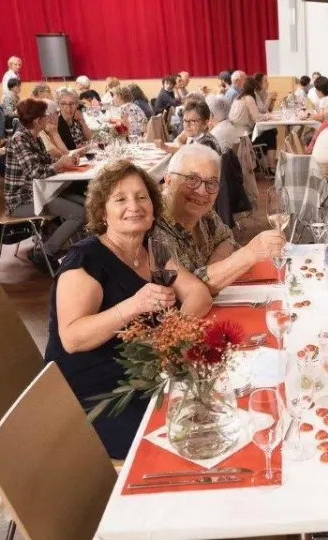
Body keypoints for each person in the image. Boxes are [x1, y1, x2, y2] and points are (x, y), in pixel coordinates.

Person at [45, 159, 212, 459]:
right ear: (102, 212)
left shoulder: (151, 251)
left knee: (212, 403)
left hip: (144, 377)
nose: (134, 206)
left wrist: (168, 336)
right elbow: (72, 338)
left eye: (142, 197)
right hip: (94, 398)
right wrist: (135, 305)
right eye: (120, 199)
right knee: (187, 437)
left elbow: (199, 293)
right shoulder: (85, 261)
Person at [157, 144, 285, 294]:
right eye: (191, 179)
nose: (202, 191)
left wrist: (214, 268)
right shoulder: (154, 229)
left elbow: (227, 238)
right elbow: (192, 293)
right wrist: (249, 253)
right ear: (168, 180)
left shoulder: (202, 210)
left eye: (211, 183)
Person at [3, 98, 84, 268]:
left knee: (87, 203)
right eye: (45, 116)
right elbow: (35, 172)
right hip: (22, 200)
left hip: (40, 192)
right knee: (79, 213)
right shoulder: (19, 139)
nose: (48, 118)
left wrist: (65, 161)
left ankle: (79, 248)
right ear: (36, 120)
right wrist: (60, 164)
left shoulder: (34, 137)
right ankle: (44, 252)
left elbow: (46, 162)